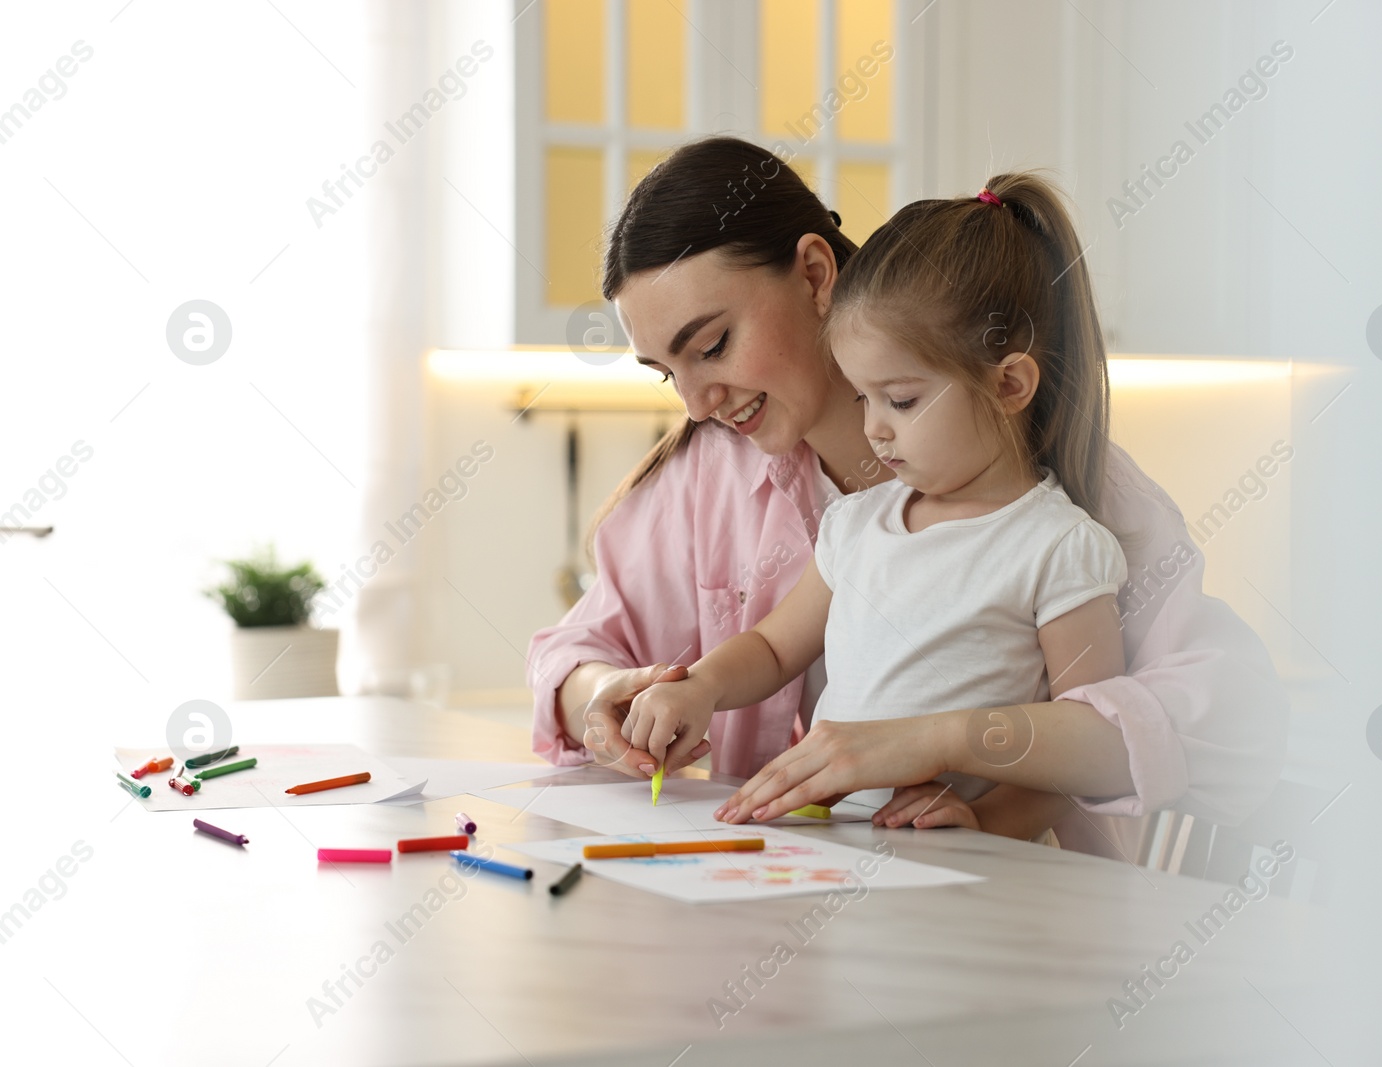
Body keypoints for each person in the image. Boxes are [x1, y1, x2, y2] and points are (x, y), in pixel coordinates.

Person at [528, 136, 1286, 856]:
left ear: (817, 274)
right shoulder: (737, 480)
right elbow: (581, 653)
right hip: (811, 891)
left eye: (713, 346)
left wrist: (947, 743)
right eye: (667, 372)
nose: (694, 404)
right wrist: (609, 699)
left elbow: (1229, 714)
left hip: (1016, 904)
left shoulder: (1065, 503)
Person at [619, 175, 1129, 841]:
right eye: (865, 399)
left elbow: (1094, 744)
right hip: (850, 849)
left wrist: (986, 821)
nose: (876, 429)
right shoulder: (858, 526)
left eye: (902, 399)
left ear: (1008, 384)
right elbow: (773, 648)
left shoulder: (1059, 545)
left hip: (971, 871)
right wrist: (703, 687)